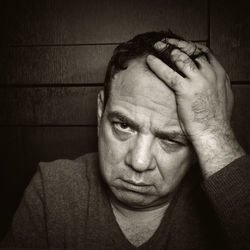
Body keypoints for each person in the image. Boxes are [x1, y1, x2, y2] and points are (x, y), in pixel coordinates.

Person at [1, 31, 249, 250]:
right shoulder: (54, 189)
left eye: (171, 139)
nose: (139, 162)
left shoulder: (220, 206)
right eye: (124, 125)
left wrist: (215, 134)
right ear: (101, 113)